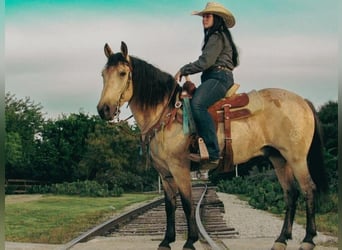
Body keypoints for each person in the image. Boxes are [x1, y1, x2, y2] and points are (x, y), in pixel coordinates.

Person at [175, 2, 239, 170]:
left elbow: (205, 62)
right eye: (203, 16)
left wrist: (184, 69)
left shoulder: (216, 36)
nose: (204, 19)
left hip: (219, 77)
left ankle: (212, 152)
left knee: (197, 104)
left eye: (208, 16)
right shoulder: (218, 36)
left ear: (217, 19)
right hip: (215, 76)